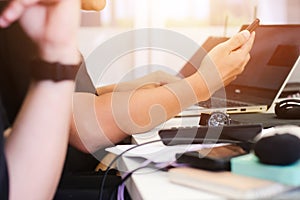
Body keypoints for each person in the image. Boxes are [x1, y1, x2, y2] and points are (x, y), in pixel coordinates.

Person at [0, 0, 255, 199]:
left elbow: (63, 105)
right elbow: (86, 127)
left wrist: (123, 90)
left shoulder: (35, 22)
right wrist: (203, 83)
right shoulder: (26, 24)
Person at [0, 0, 82, 200]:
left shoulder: (36, 20)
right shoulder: (15, 29)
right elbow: (86, 129)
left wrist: (57, 52)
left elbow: (11, 190)